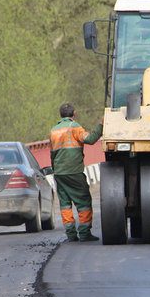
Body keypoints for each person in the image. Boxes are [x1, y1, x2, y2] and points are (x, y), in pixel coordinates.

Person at [49, 103, 103, 242]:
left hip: (59, 172)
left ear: (60, 115)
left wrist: (55, 169)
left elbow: (52, 153)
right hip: (73, 171)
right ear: (75, 113)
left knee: (65, 203)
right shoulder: (75, 127)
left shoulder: (54, 130)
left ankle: (71, 235)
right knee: (83, 201)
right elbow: (90, 139)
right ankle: (84, 233)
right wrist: (101, 126)